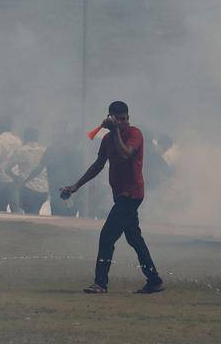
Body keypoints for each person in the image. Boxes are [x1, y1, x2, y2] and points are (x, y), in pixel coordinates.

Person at [59, 102, 163, 294]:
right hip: (120, 194)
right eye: (119, 119)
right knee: (134, 238)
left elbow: (126, 154)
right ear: (111, 117)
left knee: (107, 237)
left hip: (131, 194)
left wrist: (115, 130)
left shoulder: (135, 134)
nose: (123, 122)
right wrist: (76, 186)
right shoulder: (107, 139)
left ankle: (100, 283)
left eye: (125, 118)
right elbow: (98, 165)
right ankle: (154, 280)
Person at [31, 123, 86, 217]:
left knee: (62, 216)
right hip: (60, 190)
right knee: (63, 216)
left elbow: (80, 171)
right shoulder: (55, 150)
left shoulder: (57, 150)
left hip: (67, 190)